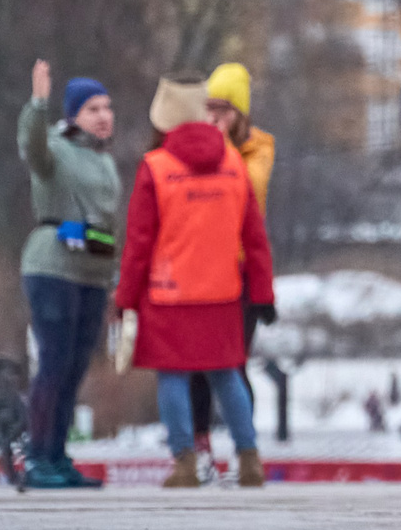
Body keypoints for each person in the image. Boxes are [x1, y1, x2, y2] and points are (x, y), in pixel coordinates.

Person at [113, 75, 278, 489]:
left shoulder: (156, 167)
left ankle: (185, 462)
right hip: (223, 290)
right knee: (227, 374)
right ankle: (249, 458)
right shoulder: (234, 164)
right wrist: (262, 292)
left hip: (167, 293)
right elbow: (254, 239)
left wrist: (125, 298)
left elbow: (138, 242)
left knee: (173, 377)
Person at [17, 61, 120, 489]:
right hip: (52, 266)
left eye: (107, 108)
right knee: (54, 362)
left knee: (75, 368)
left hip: (92, 273)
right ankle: (36, 457)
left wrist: (115, 283)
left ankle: (58, 456)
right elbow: (31, 145)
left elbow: (109, 228)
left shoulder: (106, 162)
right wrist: (38, 103)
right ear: (74, 114)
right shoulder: (55, 148)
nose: (103, 116)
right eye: (93, 108)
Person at [188, 62, 276, 460]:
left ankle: (245, 449)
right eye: (208, 108)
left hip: (239, 272)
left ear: (240, 113)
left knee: (233, 363)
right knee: (196, 364)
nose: (214, 118)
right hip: (199, 269)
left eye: (223, 109)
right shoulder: (197, 146)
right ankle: (199, 444)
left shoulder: (259, 149)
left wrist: (214, 147)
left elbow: (246, 186)